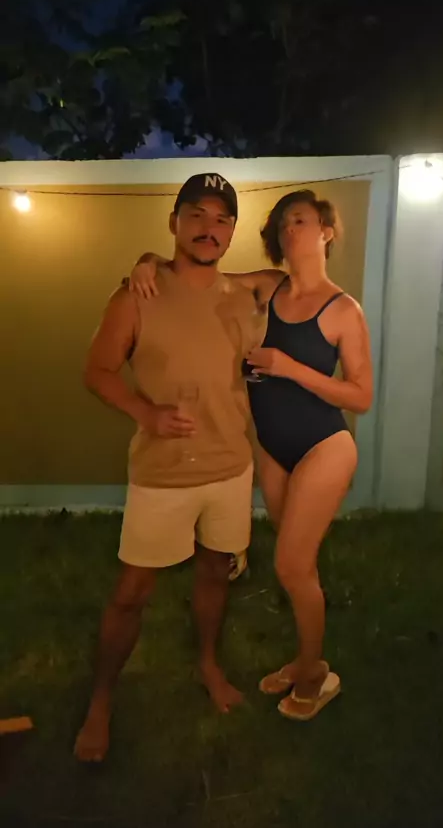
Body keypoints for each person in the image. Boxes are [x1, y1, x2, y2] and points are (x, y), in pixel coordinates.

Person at [130, 189, 373, 721]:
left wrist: (289, 367)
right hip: (274, 449)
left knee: (291, 565)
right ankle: (306, 658)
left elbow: (361, 396)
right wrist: (147, 261)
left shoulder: (342, 309)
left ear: (326, 231)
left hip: (324, 446)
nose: (289, 230)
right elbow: (199, 275)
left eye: (300, 221)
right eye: (282, 224)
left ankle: (316, 676)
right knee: (298, 567)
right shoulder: (269, 286)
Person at [75, 173, 262, 764]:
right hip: (163, 474)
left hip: (230, 468)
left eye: (222, 219)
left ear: (232, 231)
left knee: (214, 573)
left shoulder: (246, 296)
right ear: (175, 222)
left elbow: (294, 282)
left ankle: (207, 663)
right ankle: (101, 701)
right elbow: (98, 370)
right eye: (197, 215)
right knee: (132, 593)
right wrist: (146, 413)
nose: (210, 228)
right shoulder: (138, 294)